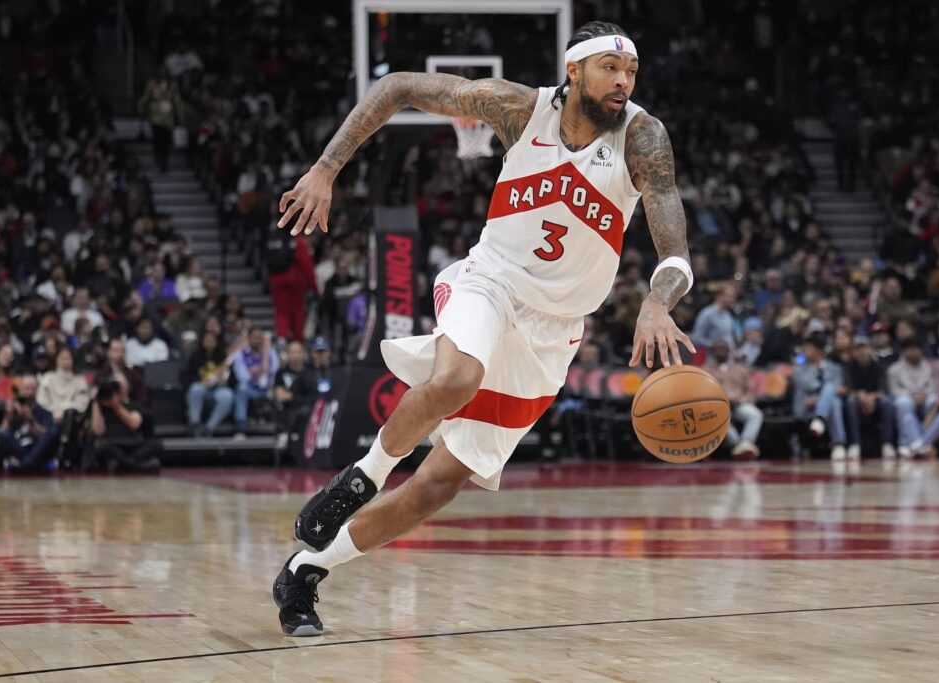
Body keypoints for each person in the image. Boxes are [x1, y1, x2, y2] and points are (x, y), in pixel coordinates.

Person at [269, 21, 695, 636]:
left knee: (439, 484)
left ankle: (305, 570)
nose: (623, 81)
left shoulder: (642, 137)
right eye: (609, 68)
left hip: (554, 330)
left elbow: (674, 251)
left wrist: (658, 301)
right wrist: (325, 169)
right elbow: (397, 86)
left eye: (630, 71)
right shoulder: (519, 109)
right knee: (456, 378)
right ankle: (362, 476)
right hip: (489, 281)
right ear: (574, 70)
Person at [702, 340, 761, 459]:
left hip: (739, 404)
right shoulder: (704, 371)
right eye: (718, 350)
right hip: (717, 407)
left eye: (724, 349)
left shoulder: (740, 369)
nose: (721, 352)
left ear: (729, 351)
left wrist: (742, 400)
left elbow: (750, 390)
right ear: (712, 352)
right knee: (719, 419)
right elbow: (702, 392)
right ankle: (739, 445)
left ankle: (746, 442)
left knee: (755, 414)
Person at [792, 335, 847, 460]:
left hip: (821, 403)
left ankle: (820, 418)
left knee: (835, 400)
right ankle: (839, 444)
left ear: (819, 351)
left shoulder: (835, 368)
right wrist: (823, 396)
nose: (804, 352)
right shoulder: (799, 369)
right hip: (806, 405)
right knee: (831, 392)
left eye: (808, 348)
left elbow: (839, 387)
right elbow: (810, 385)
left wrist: (820, 399)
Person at [90, 374, 161, 472]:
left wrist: (116, 406)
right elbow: (98, 431)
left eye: (121, 385)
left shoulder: (134, 404)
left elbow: (134, 424)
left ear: (127, 387)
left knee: (155, 444)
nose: (119, 389)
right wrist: (95, 402)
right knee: (101, 446)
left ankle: (123, 464)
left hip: (134, 443)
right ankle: (137, 466)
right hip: (113, 444)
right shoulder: (101, 407)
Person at [842, 336, 896, 460]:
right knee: (850, 401)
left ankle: (887, 443)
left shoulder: (879, 366)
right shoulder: (849, 367)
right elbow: (847, 388)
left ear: (870, 349)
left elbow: (884, 389)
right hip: (857, 400)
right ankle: (855, 444)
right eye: (858, 349)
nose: (862, 352)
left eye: (864, 348)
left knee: (887, 402)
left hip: (875, 400)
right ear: (853, 351)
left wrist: (871, 397)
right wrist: (859, 395)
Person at [887, 337, 938, 457]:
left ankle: (926, 440)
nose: (913, 352)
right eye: (910, 349)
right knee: (903, 403)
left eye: (916, 349)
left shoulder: (929, 367)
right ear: (904, 351)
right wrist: (912, 395)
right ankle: (905, 443)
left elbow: (933, 387)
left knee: (934, 401)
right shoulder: (894, 369)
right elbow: (893, 390)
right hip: (905, 396)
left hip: (925, 396)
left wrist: (924, 394)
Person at [37, 347, 91, 457]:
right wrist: (56, 412)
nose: (66, 361)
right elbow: (42, 401)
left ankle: (65, 448)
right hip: (51, 417)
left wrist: (63, 412)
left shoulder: (80, 381)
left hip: (72, 419)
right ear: (56, 360)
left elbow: (82, 404)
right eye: (62, 358)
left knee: (70, 415)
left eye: (68, 358)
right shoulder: (48, 379)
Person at [0, 375, 58, 471]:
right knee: (1, 432)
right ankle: (29, 463)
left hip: (36, 448)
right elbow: (3, 432)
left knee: (53, 432)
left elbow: (46, 435)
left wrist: (31, 420)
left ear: (37, 390)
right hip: (19, 448)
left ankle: (25, 464)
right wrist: (9, 415)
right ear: (21, 390)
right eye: (27, 389)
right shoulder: (14, 409)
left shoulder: (45, 412)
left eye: (33, 389)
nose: (30, 392)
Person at [266, 233, 317, 341]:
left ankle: (281, 337)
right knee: (297, 310)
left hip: (275, 279)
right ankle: (297, 339)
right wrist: (314, 288)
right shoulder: (299, 243)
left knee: (281, 311)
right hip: (295, 280)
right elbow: (307, 266)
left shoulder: (273, 240)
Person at [182, 330, 233, 437]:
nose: (209, 343)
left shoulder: (223, 357)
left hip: (218, 388)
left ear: (216, 342)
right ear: (202, 342)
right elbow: (186, 375)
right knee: (195, 389)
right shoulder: (195, 356)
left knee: (227, 396)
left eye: (212, 341)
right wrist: (199, 380)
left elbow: (232, 377)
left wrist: (224, 380)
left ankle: (210, 426)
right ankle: (195, 423)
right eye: (207, 341)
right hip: (201, 386)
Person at [231, 327, 279, 439]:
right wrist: (256, 373)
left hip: (268, 388)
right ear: (248, 338)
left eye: (260, 338)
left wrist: (266, 375)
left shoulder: (271, 353)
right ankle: (240, 428)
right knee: (241, 389)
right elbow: (242, 377)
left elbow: (275, 371)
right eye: (255, 338)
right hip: (251, 388)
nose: (258, 341)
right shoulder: (240, 354)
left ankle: (280, 428)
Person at [273, 340, 319, 453]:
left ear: (303, 354)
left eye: (298, 352)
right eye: (292, 352)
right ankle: (286, 435)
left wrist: (292, 396)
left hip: (305, 410)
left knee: (306, 409)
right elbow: (280, 396)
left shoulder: (310, 373)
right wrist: (296, 397)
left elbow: (313, 398)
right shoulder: (281, 373)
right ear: (287, 354)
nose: (295, 355)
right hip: (287, 410)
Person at [691, 283, 737, 349]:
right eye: (729, 296)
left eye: (733, 297)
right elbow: (696, 338)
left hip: (728, 355)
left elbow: (729, 339)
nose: (732, 300)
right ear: (718, 296)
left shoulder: (728, 315)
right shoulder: (707, 313)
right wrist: (714, 345)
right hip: (710, 354)